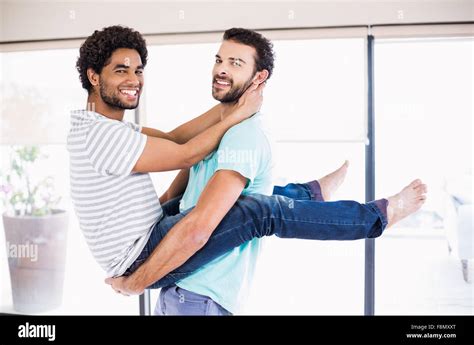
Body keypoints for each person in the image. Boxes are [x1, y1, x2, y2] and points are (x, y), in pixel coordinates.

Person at [67, 25, 427, 314]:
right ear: (94, 77)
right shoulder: (101, 136)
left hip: (145, 232)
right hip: (140, 252)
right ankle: (374, 218)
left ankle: (309, 194)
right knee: (257, 211)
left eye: (138, 69)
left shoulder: (99, 127)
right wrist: (135, 284)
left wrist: (231, 111)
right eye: (121, 70)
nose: (134, 78)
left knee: (240, 198)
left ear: (258, 76)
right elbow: (186, 153)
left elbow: (176, 138)